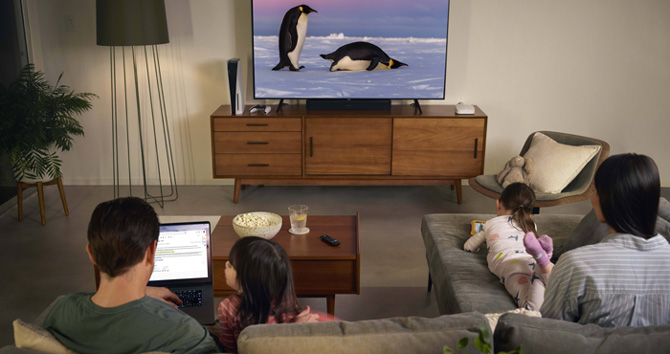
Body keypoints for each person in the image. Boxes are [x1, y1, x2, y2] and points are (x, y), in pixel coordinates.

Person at [42, 197, 219, 354]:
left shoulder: (60, 311)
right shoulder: (185, 333)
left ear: (91, 253)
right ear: (150, 252)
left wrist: (144, 292)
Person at [540, 153, 670, 327]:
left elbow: (550, 333)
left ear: (606, 199)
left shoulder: (575, 265)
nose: (592, 199)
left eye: (594, 190)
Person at [217, 236, 322, 353]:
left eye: (231, 266)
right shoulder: (285, 298)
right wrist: (295, 329)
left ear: (249, 279)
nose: (226, 264)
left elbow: (229, 349)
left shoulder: (226, 307)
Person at [464, 182, 554, 310]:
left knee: (531, 308)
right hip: (530, 260)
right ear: (530, 212)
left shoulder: (490, 224)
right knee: (554, 283)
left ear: (498, 204)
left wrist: (481, 241)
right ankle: (543, 261)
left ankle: (541, 262)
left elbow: (468, 247)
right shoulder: (531, 225)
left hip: (511, 265)